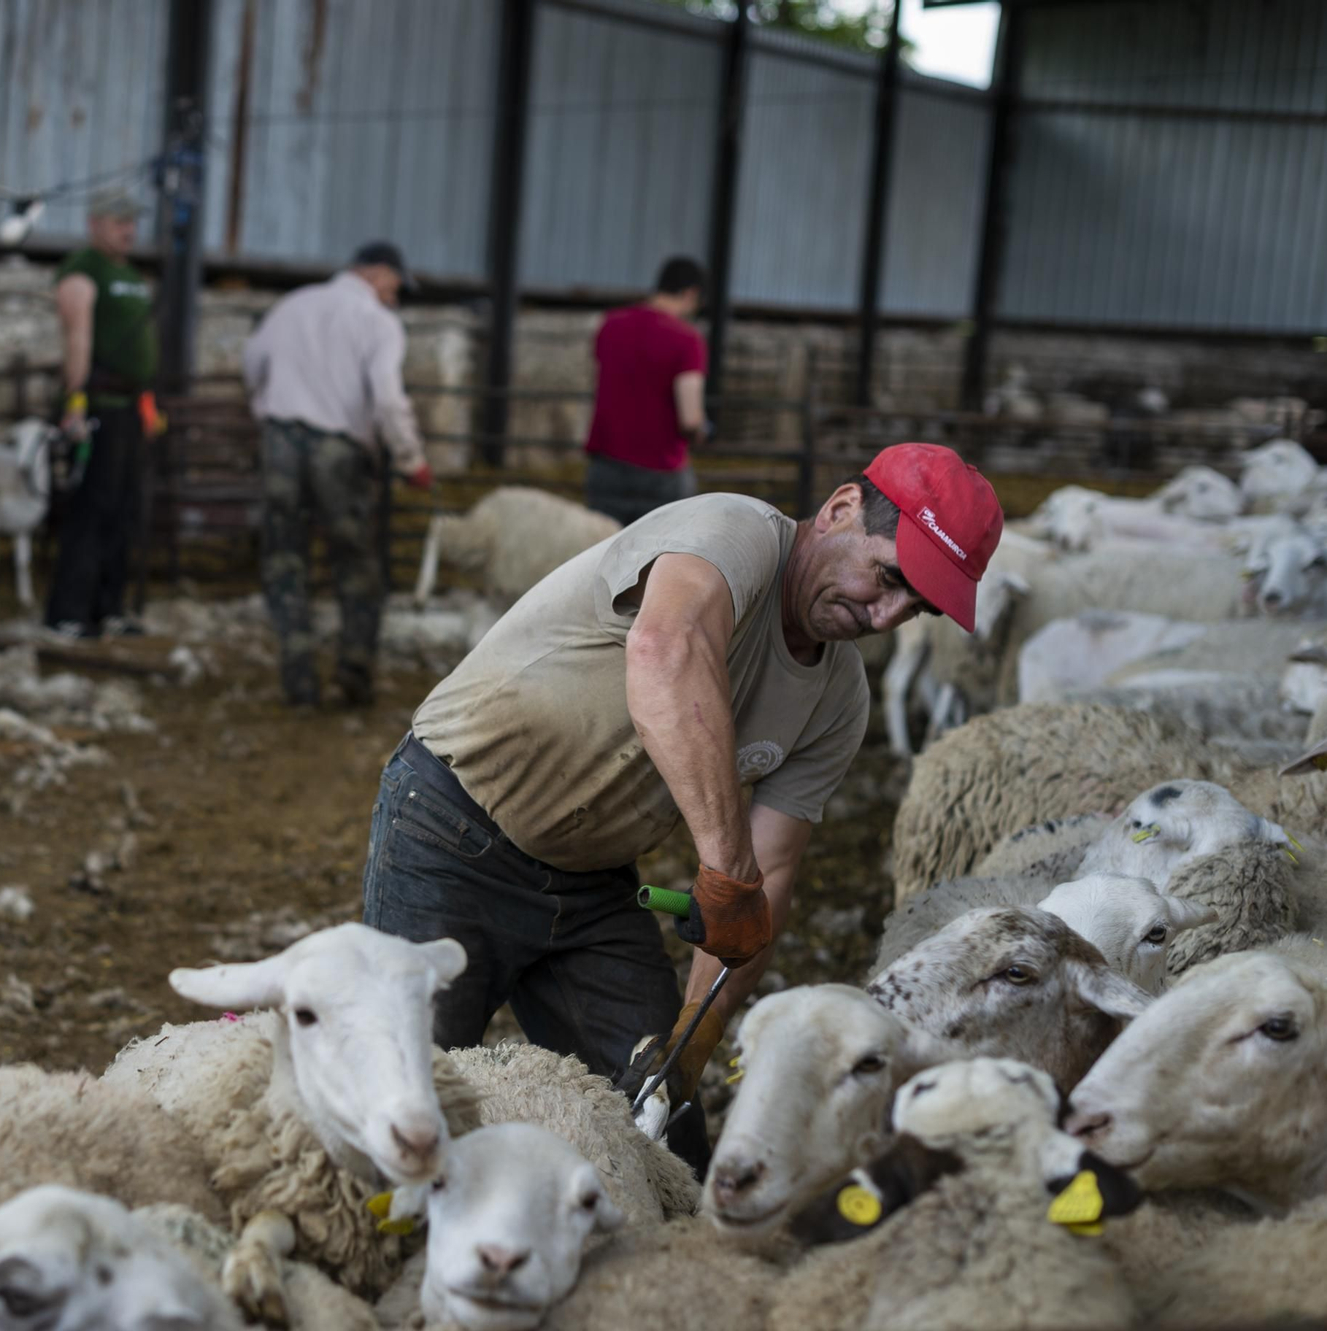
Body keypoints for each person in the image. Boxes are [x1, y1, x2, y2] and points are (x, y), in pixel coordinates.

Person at [360, 442, 1003, 1173]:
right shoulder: (730, 535)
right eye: (887, 576)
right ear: (840, 509)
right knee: (407, 1115)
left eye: (913, 607)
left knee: (667, 1141)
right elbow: (666, 651)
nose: (885, 616)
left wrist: (701, 1027)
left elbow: (769, 873)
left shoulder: (838, 699)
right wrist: (726, 869)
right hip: (452, 828)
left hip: (593, 883)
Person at [241, 241, 434, 708]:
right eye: (395, 286)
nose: (395, 296)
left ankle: (299, 679)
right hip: (338, 450)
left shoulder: (292, 305)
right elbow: (386, 397)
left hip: (281, 443)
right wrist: (410, 458)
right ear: (378, 274)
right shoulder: (378, 322)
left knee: (285, 558)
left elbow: (252, 365)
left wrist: (268, 410)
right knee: (355, 560)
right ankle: (353, 672)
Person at [45, 188, 161, 640]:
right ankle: (69, 612)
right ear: (94, 224)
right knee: (90, 508)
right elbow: (78, 335)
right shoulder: (83, 269)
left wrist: (146, 403)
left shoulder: (129, 274)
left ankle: (108, 608)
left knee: (123, 510)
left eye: (132, 221)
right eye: (118, 222)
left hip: (130, 407)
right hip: (98, 405)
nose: (128, 230)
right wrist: (74, 401)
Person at [583, 255, 708, 527]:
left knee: (604, 547)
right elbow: (690, 419)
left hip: (607, 466)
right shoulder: (687, 340)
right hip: (661, 473)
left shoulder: (610, 324)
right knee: (660, 549)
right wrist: (701, 433)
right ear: (691, 294)